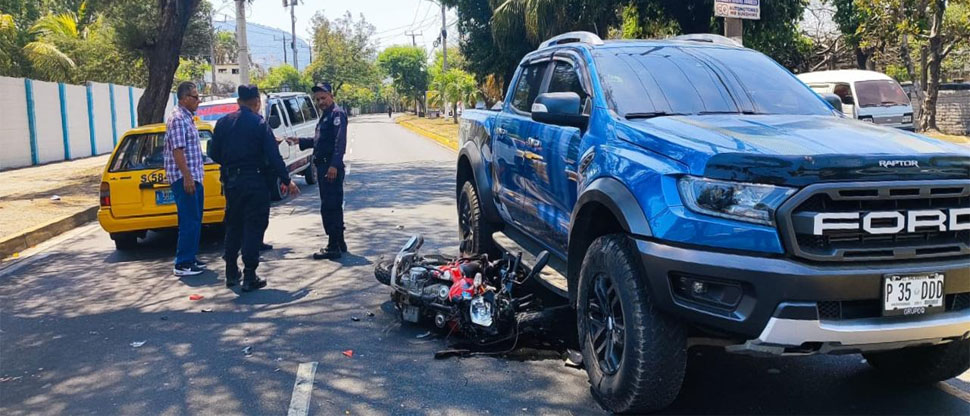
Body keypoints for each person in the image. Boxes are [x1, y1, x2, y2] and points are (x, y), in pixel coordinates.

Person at [209, 85, 300, 291]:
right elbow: (274, 157)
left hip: (231, 183)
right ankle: (250, 275)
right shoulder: (260, 124)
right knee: (253, 225)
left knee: (233, 225)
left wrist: (232, 162)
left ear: (239, 101)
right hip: (254, 182)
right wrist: (287, 180)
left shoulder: (223, 123)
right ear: (257, 102)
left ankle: (231, 272)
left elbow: (214, 153)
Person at [285, 82, 347, 260]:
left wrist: (334, 165)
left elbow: (339, 142)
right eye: (318, 99)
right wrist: (300, 141)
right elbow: (321, 141)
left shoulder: (336, 114)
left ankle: (333, 246)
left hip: (330, 168)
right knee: (332, 205)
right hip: (324, 166)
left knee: (330, 206)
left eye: (323, 98)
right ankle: (339, 242)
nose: (321, 102)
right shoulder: (326, 115)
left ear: (331, 96)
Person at [164, 82, 206, 277]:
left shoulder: (189, 119)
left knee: (195, 219)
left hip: (195, 177)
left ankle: (190, 257)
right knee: (189, 221)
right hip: (185, 179)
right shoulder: (179, 119)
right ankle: (182, 263)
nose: (198, 100)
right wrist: (187, 177)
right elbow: (177, 151)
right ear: (184, 98)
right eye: (195, 97)